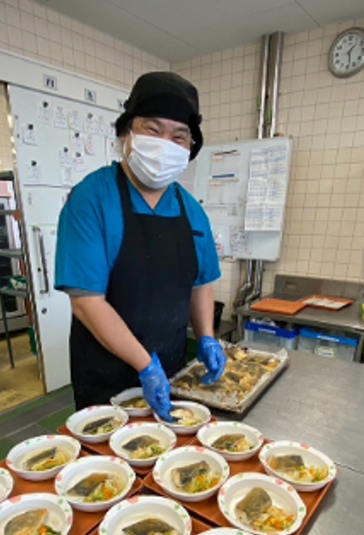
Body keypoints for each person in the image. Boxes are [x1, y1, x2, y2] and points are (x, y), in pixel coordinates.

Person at [54, 72, 226, 422]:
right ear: (126, 133)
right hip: (106, 376)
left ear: (189, 149)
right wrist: (145, 365)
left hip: (172, 372)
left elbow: (200, 284)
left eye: (179, 136)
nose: (165, 144)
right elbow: (86, 302)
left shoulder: (192, 210)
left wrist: (207, 337)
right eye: (153, 130)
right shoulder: (92, 198)